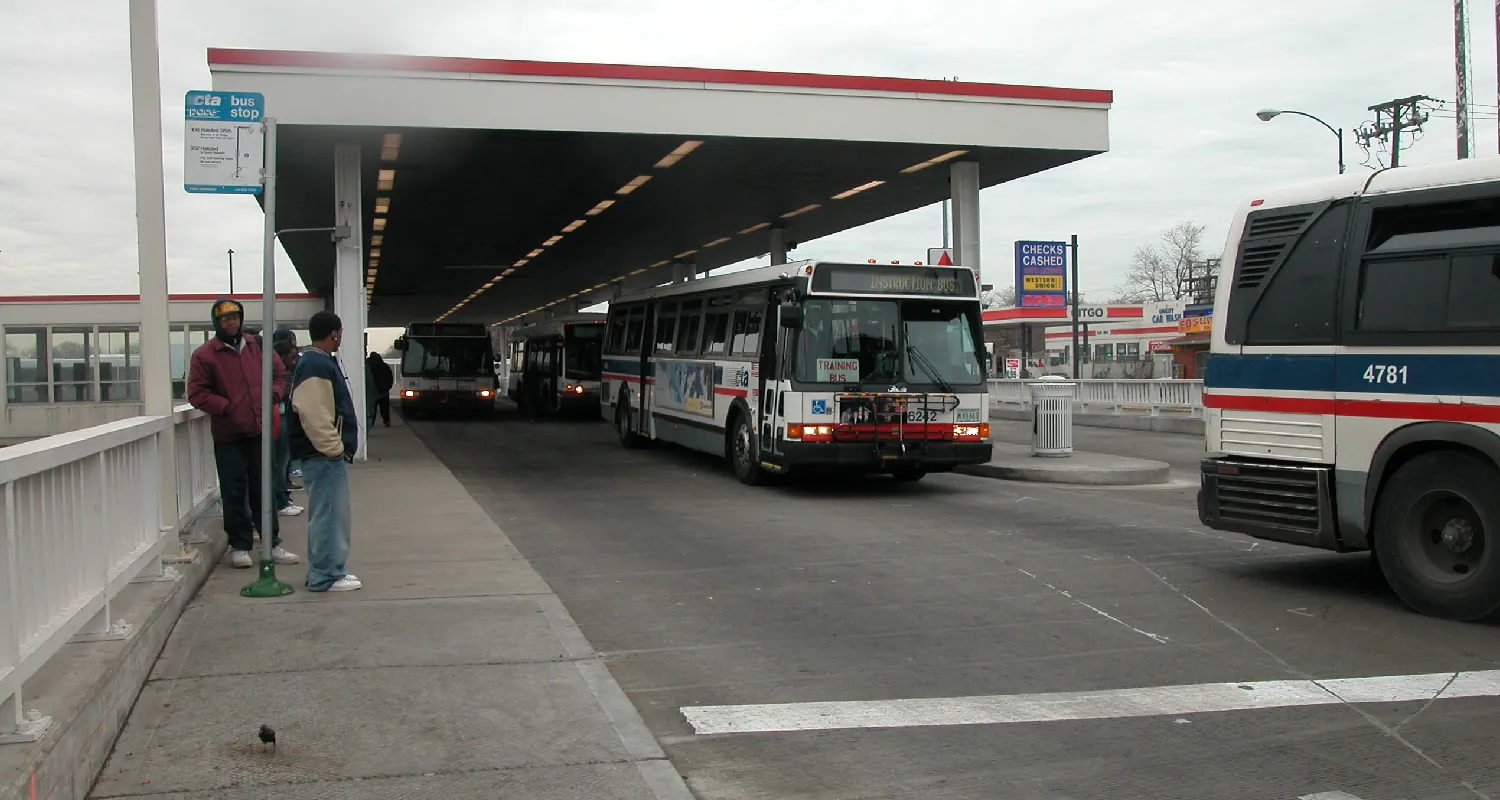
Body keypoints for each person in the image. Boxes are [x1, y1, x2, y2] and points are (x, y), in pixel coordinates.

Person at [187, 299, 301, 569]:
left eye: (235, 317)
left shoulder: (257, 346)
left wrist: (272, 396)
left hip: (259, 432)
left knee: (265, 488)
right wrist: (226, 407)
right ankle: (240, 545)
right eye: (225, 319)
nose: (231, 323)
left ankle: (272, 543)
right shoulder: (205, 355)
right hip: (228, 435)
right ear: (217, 323)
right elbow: (196, 393)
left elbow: (279, 373)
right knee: (234, 491)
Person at [289, 311, 361, 592]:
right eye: (340, 331)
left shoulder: (314, 362)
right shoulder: (316, 364)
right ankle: (326, 575)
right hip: (322, 455)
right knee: (330, 514)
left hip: (320, 454)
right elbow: (314, 412)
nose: (341, 336)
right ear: (334, 332)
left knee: (326, 513)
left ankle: (325, 569)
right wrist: (334, 448)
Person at [272, 328, 304, 517]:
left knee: (283, 461)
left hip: (283, 414)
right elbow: (283, 392)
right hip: (280, 415)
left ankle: (283, 497)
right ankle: (281, 501)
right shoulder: (281, 372)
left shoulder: (283, 369)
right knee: (280, 461)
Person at [366, 351, 394, 427]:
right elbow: (390, 378)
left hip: (372, 392)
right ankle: (386, 421)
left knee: (372, 408)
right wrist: (387, 388)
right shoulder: (385, 366)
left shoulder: (368, 366)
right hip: (383, 391)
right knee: (385, 408)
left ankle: (371, 422)